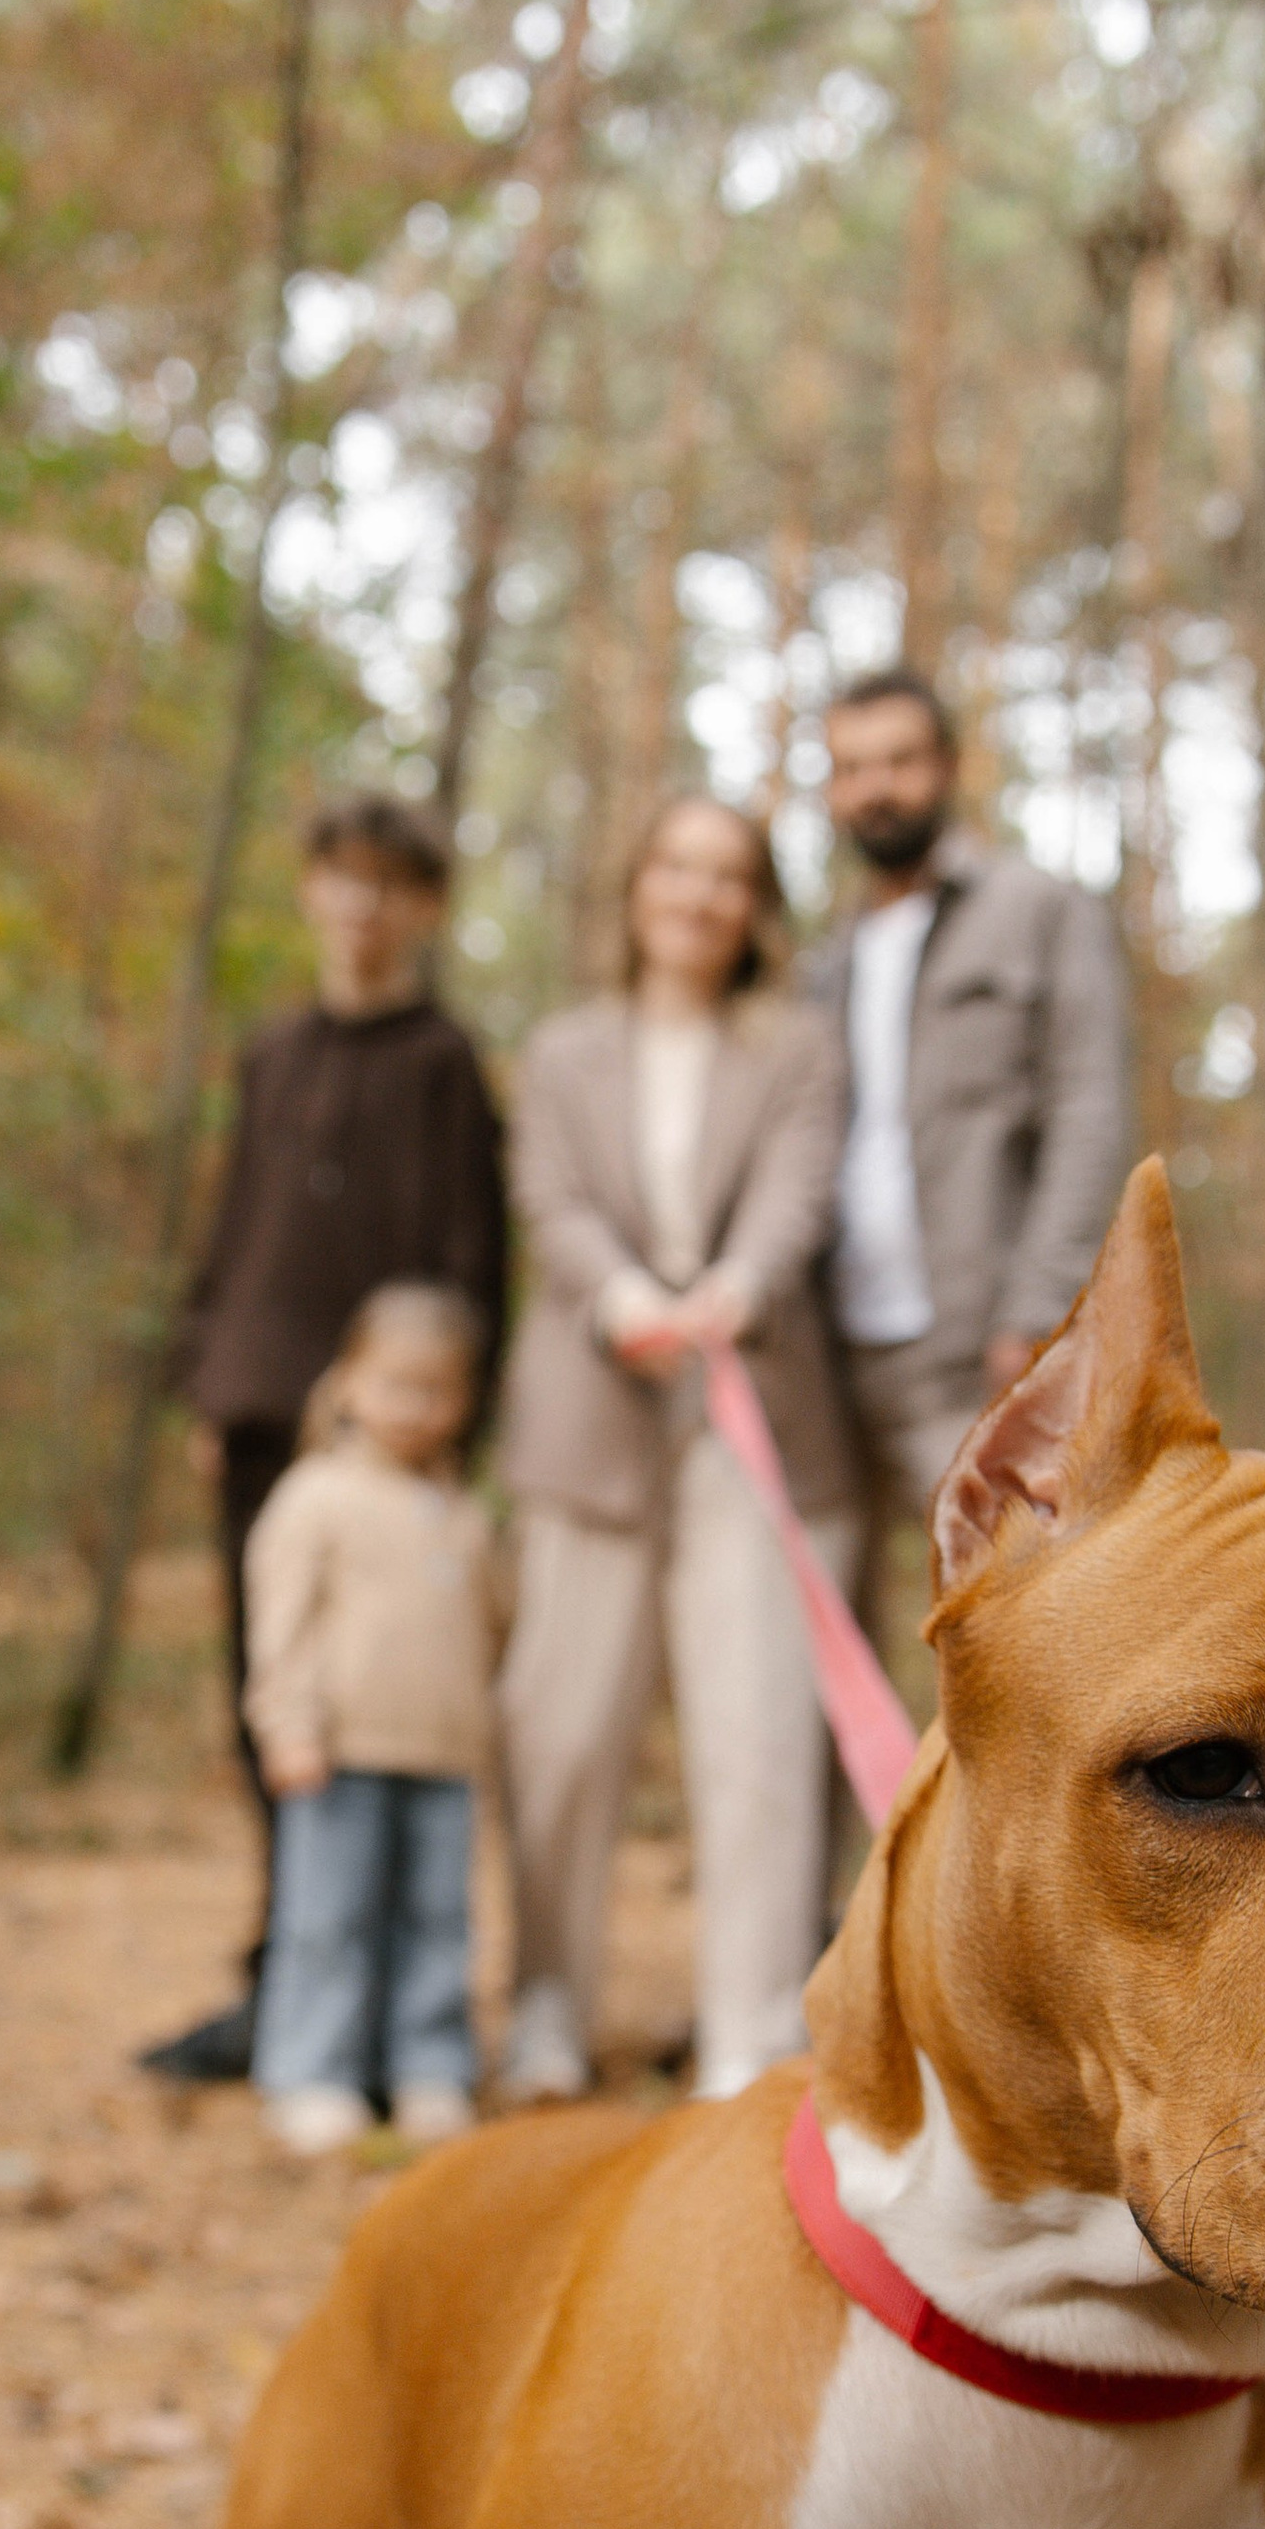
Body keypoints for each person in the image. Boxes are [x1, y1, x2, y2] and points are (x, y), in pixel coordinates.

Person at [142, 795, 508, 2083]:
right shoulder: (273, 1051)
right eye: (339, 883)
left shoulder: (442, 1065)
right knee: (274, 1696)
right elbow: (234, 1223)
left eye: (387, 888)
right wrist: (204, 1381)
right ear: (310, 893)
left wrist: (459, 1424)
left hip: (386, 1438)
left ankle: (371, 2008)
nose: (359, 909)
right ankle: (281, 1976)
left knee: (375, 1713)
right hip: (256, 1410)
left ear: (422, 909)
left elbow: (473, 1264)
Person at [498, 797, 855, 2106]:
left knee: (755, 1740)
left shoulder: (799, 1047)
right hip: (590, 1423)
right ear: (636, 884)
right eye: (678, 867)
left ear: (756, 904)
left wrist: (740, 1291)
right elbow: (551, 1198)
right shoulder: (561, 1051)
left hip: (755, 1423)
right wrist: (621, 1302)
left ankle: (748, 2038)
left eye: (729, 875)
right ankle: (546, 2006)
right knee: (563, 1729)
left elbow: (796, 1189)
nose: (699, 895)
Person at [796, 665, 1130, 1533]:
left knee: (1026, 1614)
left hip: (979, 1350)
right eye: (852, 767)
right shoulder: (824, 965)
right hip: (834, 1358)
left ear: (947, 766)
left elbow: (1090, 1115)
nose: (877, 788)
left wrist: (1038, 1315)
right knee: (842, 1637)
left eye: (900, 760)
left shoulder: (1039, 912)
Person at [240, 1285, 502, 2157]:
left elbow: (492, 1631)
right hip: (339, 1750)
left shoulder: (465, 1513)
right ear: (349, 1383)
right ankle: (314, 2070)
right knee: (329, 1917)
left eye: (436, 1391)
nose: (413, 1410)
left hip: (441, 1755)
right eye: (394, 1385)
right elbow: (280, 1622)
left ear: (463, 1401)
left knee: (436, 1918)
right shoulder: (316, 1496)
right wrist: (287, 1722)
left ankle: (427, 2063)